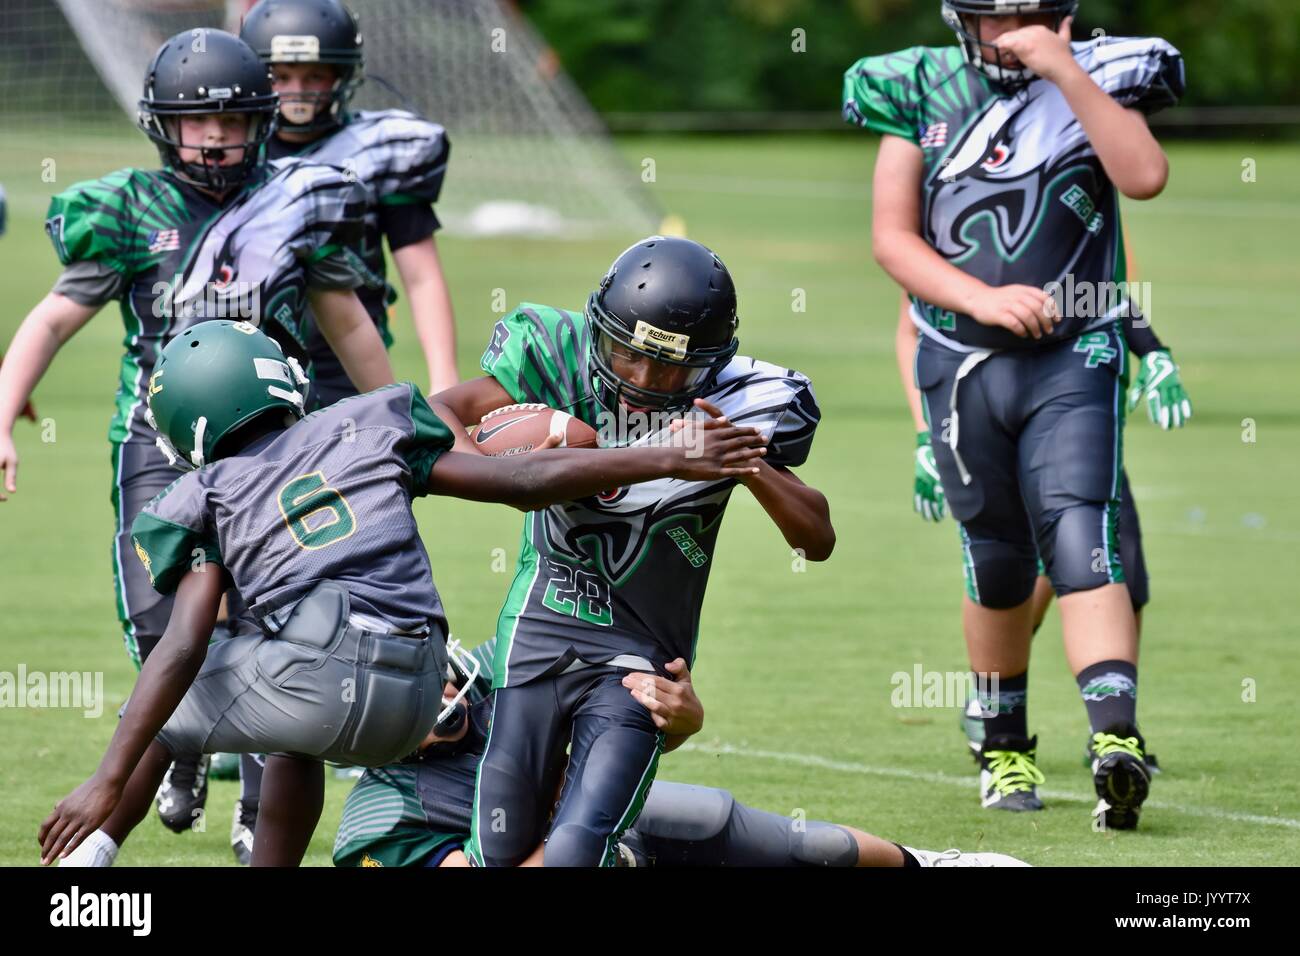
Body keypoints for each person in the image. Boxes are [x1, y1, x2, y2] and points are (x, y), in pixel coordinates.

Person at [38, 320, 768, 867]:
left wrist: (106, 779)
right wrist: (661, 456)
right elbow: (518, 482)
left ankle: (90, 855)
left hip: (320, 672)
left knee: (169, 701)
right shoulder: (369, 420)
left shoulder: (202, 492)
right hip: (419, 688)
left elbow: (183, 642)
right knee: (289, 735)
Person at [0, 27, 396, 843]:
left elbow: (350, 325)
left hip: (271, 453)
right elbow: (52, 319)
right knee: (162, 627)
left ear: (260, 121)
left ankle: (253, 808)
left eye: (232, 120)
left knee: (267, 624)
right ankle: (181, 749)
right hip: (158, 445)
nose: (215, 137)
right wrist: (3, 411)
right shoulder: (130, 209)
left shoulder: (299, 201)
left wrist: (394, 416)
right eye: (196, 120)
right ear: (163, 124)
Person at [845, 1, 1184, 827]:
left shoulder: (1100, 74)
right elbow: (893, 239)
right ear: (961, 21)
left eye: (1030, 15)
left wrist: (1066, 72)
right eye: (994, 19)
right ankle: (1004, 746)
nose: (1012, 34)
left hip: (1076, 351)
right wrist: (980, 299)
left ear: (1062, 15)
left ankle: (1114, 738)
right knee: (997, 562)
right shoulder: (917, 85)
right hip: (959, 360)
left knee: (1082, 532)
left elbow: (1144, 175)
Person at [431, 236, 834, 866]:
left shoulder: (737, 403)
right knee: (498, 849)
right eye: (627, 354)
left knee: (576, 848)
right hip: (538, 635)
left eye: (670, 369)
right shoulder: (558, 357)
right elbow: (440, 413)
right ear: (599, 331)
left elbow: (817, 539)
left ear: (710, 365)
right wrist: (508, 475)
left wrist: (742, 458)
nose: (642, 381)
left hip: (639, 662)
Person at [334, 637, 1028, 868]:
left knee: (780, 839)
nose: (440, 689)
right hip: (581, 849)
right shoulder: (381, 818)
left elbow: (625, 728)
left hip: (612, 824)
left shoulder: (507, 669)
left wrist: (681, 719)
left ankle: (925, 863)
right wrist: (586, 845)